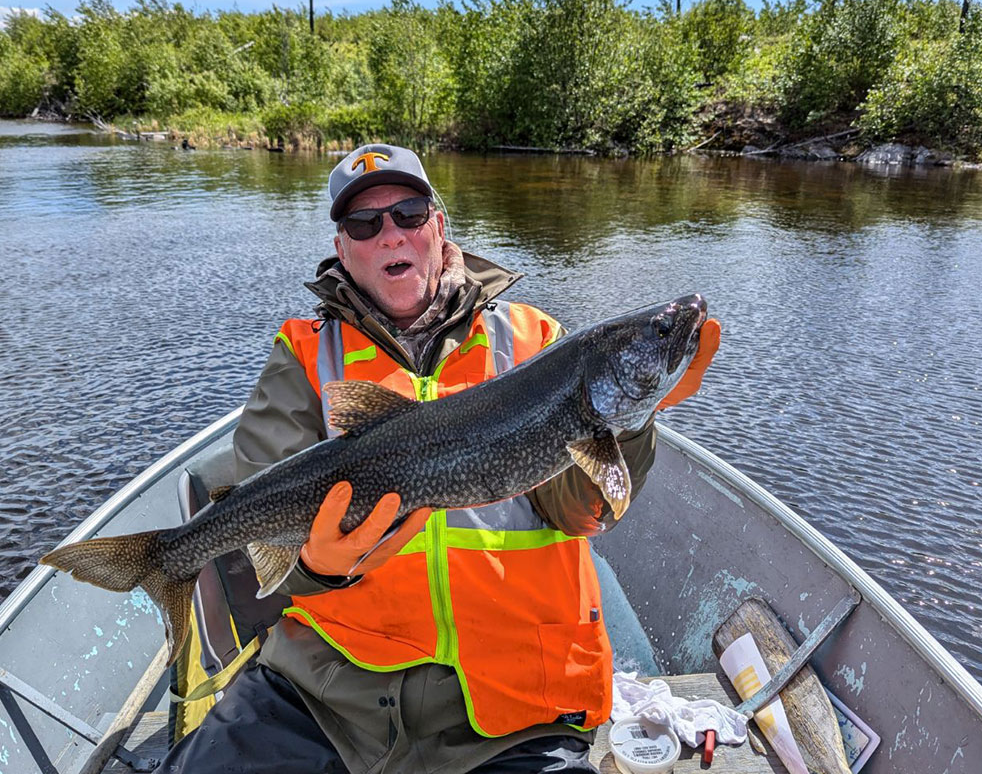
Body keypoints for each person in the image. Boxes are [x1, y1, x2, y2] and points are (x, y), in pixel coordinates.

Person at [162, 144, 721, 774]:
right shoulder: (303, 356)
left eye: (406, 212)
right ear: (343, 248)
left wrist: (636, 421)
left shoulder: (536, 342)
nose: (389, 234)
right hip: (332, 697)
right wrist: (316, 567)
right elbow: (266, 521)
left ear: (438, 226)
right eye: (363, 224)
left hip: (514, 706)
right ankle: (165, 568)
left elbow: (582, 512)